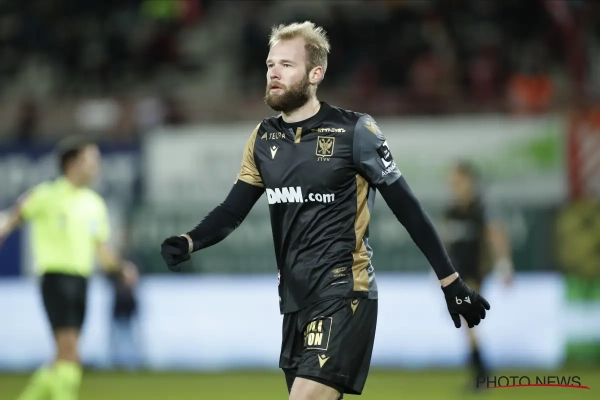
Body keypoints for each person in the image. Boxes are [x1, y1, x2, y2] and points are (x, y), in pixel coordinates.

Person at [160, 21, 490, 400]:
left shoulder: (356, 132)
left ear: (315, 74)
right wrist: (190, 241)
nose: (273, 73)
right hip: (293, 300)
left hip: (345, 292)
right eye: (270, 64)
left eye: (287, 65)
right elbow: (232, 210)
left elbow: (408, 209)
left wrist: (450, 281)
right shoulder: (263, 138)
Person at [0, 136, 137, 400]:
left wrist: (121, 269)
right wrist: (4, 227)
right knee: (70, 352)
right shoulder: (46, 195)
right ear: (73, 164)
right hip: (55, 278)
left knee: (63, 355)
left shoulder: (94, 204)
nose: (96, 166)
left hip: (81, 281)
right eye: (91, 160)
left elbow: (101, 250)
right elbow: (14, 216)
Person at [444, 161, 514, 389]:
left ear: (470, 181)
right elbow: (446, 244)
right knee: (467, 322)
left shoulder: (480, 209)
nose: (454, 187)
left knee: (467, 318)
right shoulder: (452, 211)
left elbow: (496, 235)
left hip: (474, 272)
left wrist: (503, 265)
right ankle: (480, 370)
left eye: (458, 181)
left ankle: (481, 371)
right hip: (457, 275)